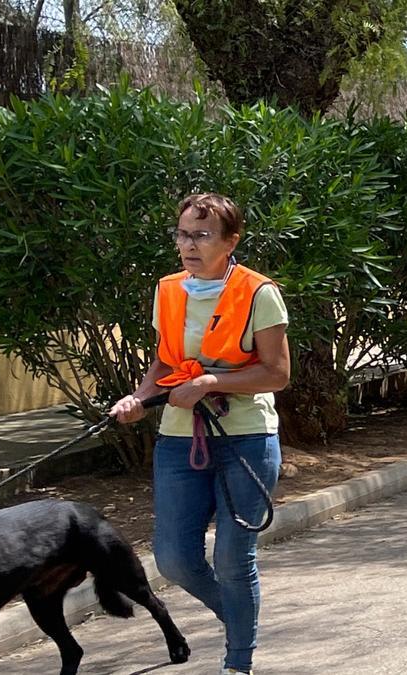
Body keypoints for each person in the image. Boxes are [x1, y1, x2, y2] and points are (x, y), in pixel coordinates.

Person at [110, 193, 289, 675]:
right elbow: (165, 361)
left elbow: (277, 374)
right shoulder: (168, 289)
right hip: (178, 436)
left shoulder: (258, 291)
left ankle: (238, 662)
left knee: (233, 557)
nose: (188, 244)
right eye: (183, 234)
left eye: (201, 235)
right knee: (173, 560)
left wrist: (213, 381)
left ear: (231, 241)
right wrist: (138, 398)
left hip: (246, 437)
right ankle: (239, 621)